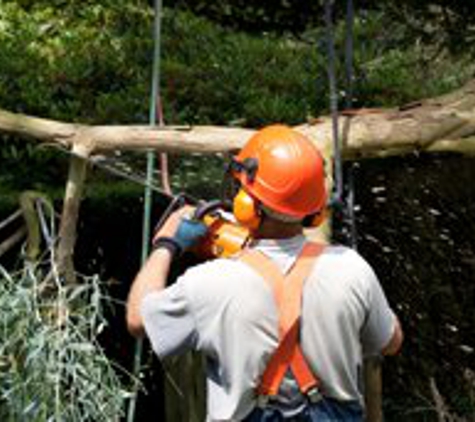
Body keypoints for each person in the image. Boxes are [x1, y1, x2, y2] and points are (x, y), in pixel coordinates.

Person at [126, 124, 403, 421]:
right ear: (315, 208)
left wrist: (166, 244)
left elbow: (138, 319)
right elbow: (391, 341)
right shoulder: (353, 269)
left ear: (246, 205)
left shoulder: (209, 283)